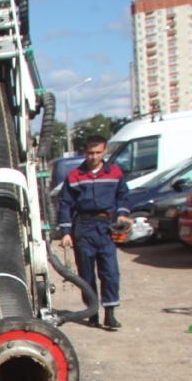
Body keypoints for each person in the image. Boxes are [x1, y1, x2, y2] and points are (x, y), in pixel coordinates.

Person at [58, 134, 133, 330]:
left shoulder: (115, 173)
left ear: (105, 151)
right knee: (86, 275)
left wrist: (123, 215)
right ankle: (93, 312)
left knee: (110, 272)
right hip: (83, 228)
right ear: (85, 152)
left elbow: (123, 197)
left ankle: (110, 314)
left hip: (106, 229)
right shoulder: (74, 176)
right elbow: (65, 204)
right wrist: (66, 232)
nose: (94, 156)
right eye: (90, 152)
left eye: (98, 152)